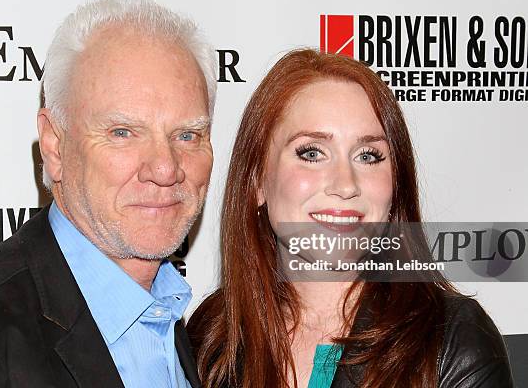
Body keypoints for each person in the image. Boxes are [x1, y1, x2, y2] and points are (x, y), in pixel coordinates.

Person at [0, 0, 216, 388]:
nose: (165, 168)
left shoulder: (177, 315)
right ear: (55, 146)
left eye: (188, 134)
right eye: (122, 132)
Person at [187, 49, 514, 388]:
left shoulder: (454, 342)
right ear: (257, 181)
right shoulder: (213, 336)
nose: (345, 185)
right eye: (312, 153)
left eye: (368, 155)